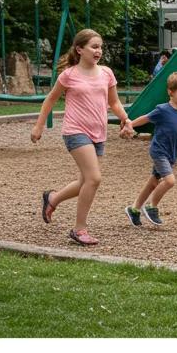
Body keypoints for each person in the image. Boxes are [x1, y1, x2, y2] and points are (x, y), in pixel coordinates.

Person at [32, 28, 132, 247]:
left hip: (99, 133)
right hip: (75, 131)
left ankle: (53, 199)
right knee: (94, 179)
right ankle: (79, 229)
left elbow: (113, 102)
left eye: (101, 47)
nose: (99, 51)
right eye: (94, 47)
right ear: (80, 49)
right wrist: (39, 126)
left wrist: (126, 120)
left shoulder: (106, 73)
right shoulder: (69, 75)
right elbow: (49, 100)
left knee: (84, 181)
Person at [122, 71, 177, 227]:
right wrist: (130, 124)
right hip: (159, 151)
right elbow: (146, 118)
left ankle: (134, 209)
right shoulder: (163, 110)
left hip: (172, 152)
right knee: (169, 181)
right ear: (171, 92)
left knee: (153, 182)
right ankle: (151, 206)